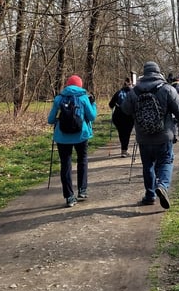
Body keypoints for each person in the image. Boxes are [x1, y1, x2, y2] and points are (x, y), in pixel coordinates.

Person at [120, 61, 179, 209]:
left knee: (147, 165)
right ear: (158, 72)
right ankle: (162, 186)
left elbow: (124, 109)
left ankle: (150, 195)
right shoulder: (167, 89)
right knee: (166, 161)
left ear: (144, 73)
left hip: (143, 136)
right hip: (164, 135)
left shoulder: (135, 91)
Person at [47, 74, 97, 207]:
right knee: (82, 160)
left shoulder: (59, 98)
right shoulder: (84, 98)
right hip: (81, 135)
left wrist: (58, 120)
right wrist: (93, 103)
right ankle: (82, 190)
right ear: (80, 85)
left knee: (65, 165)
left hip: (62, 137)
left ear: (67, 85)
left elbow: (50, 120)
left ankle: (69, 197)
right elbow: (92, 117)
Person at [108, 78, 134, 157]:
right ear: (131, 84)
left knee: (121, 133)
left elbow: (110, 105)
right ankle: (124, 150)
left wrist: (116, 105)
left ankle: (123, 150)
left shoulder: (118, 93)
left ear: (123, 84)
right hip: (129, 116)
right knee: (127, 133)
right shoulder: (133, 93)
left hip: (118, 116)